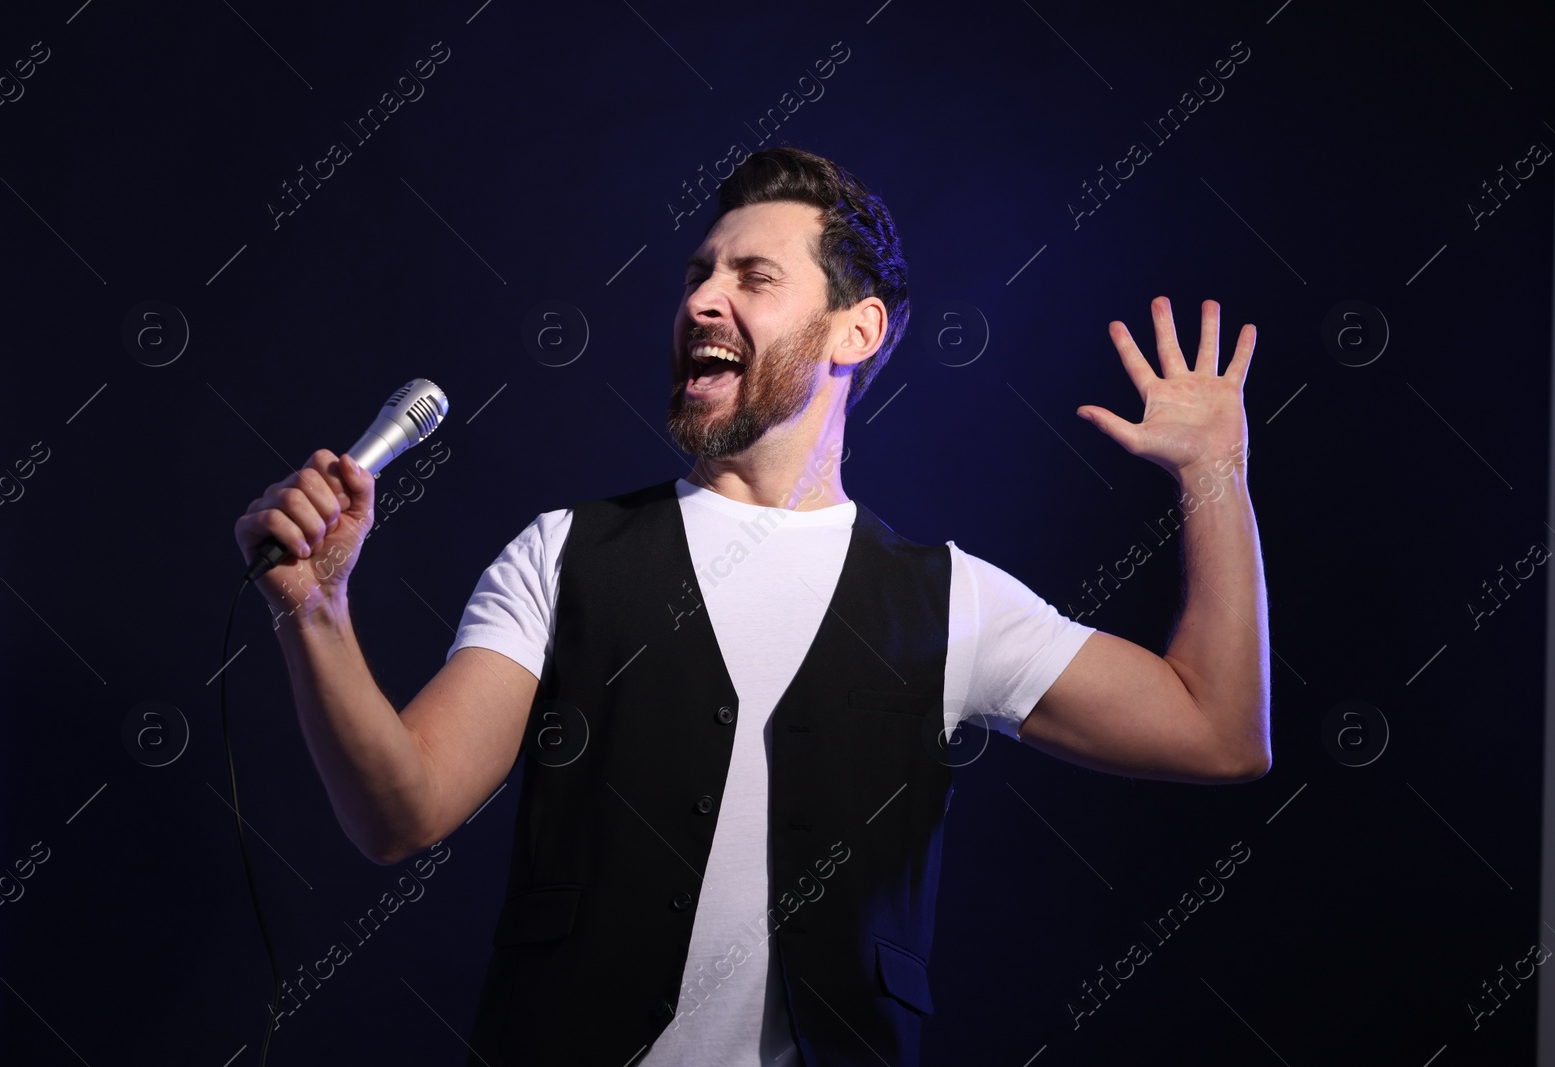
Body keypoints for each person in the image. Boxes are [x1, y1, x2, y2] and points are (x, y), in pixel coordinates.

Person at [233, 146, 1270, 1067]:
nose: (700, 301)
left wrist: (1213, 471)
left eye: (752, 276)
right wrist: (315, 611)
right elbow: (400, 809)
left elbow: (1217, 730)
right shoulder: (564, 553)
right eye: (696, 275)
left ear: (855, 328)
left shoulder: (951, 599)